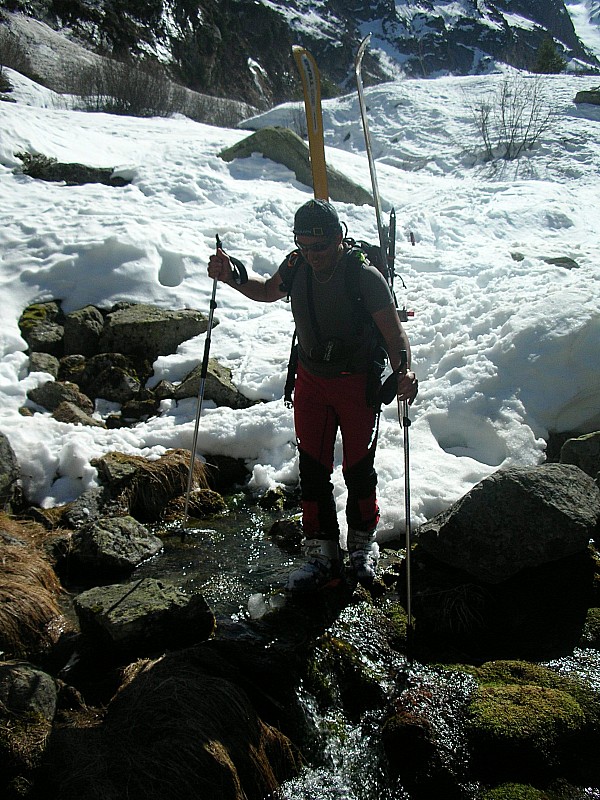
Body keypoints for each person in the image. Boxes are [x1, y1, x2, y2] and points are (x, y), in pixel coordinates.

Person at [208, 199, 418, 592]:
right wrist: (232, 272)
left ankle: (360, 545)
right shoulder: (297, 265)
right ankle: (321, 552)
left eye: (318, 247)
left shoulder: (363, 277)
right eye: (303, 246)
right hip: (311, 382)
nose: (311, 255)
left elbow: (393, 334)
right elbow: (267, 291)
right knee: (312, 469)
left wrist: (404, 370)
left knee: (358, 469)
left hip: (357, 385)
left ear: (338, 237)